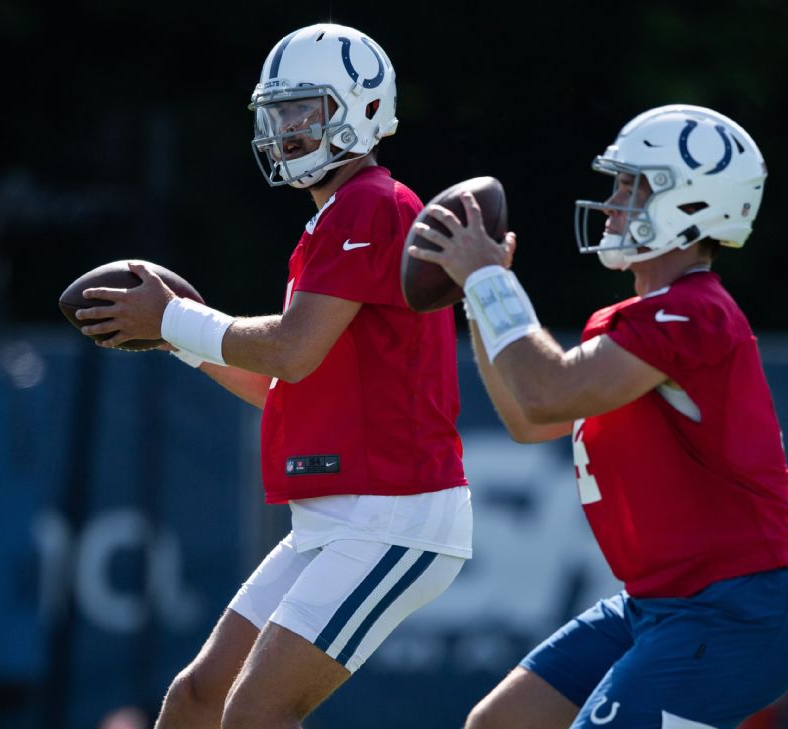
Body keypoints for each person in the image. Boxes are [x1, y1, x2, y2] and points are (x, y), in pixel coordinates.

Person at [74, 23, 470, 729]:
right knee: (197, 699)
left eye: (304, 111)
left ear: (364, 109)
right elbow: (282, 381)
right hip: (334, 516)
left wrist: (175, 320)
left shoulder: (370, 202)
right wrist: (183, 341)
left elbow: (290, 349)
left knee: (256, 710)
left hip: (395, 511)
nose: (285, 129)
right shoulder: (330, 222)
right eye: (278, 113)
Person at [410, 105, 788, 729]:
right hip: (662, 604)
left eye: (635, 185)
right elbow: (530, 418)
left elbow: (546, 393)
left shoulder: (694, 315)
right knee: (499, 724)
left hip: (735, 612)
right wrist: (476, 299)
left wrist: (490, 279)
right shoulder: (638, 321)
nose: (615, 201)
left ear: (693, 204)